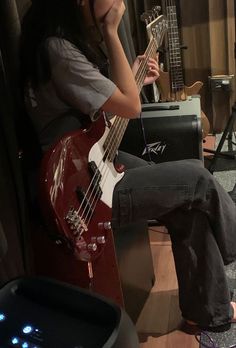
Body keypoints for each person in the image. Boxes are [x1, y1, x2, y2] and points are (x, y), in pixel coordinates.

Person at [20, 0, 236, 329]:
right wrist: (111, 31)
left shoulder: (58, 43)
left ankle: (209, 311)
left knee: (187, 205)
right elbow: (131, 107)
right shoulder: (59, 50)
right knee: (197, 178)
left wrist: (134, 76)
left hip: (94, 168)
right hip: (83, 198)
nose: (119, 2)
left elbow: (110, 105)